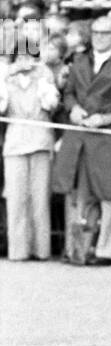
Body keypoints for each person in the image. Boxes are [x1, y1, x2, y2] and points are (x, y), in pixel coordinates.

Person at [53, 12, 111, 264]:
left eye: (106, 32)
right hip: (78, 135)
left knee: (109, 193)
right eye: (97, 32)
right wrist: (73, 109)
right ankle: (76, 249)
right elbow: (67, 94)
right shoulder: (78, 60)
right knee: (77, 194)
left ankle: (107, 251)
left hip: (107, 136)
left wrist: (108, 117)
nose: (100, 37)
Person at [0, 42, 59, 260]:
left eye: (29, 57)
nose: (25, 61)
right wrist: (6, 75)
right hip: (15, 141)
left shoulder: (44, 76)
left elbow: (51, 104)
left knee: (40, 196)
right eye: (20, 57)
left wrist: (43, 78)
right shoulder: (6, 78)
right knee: (15, 197)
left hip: (40, 138)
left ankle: (41, 250)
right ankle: (18, 251)